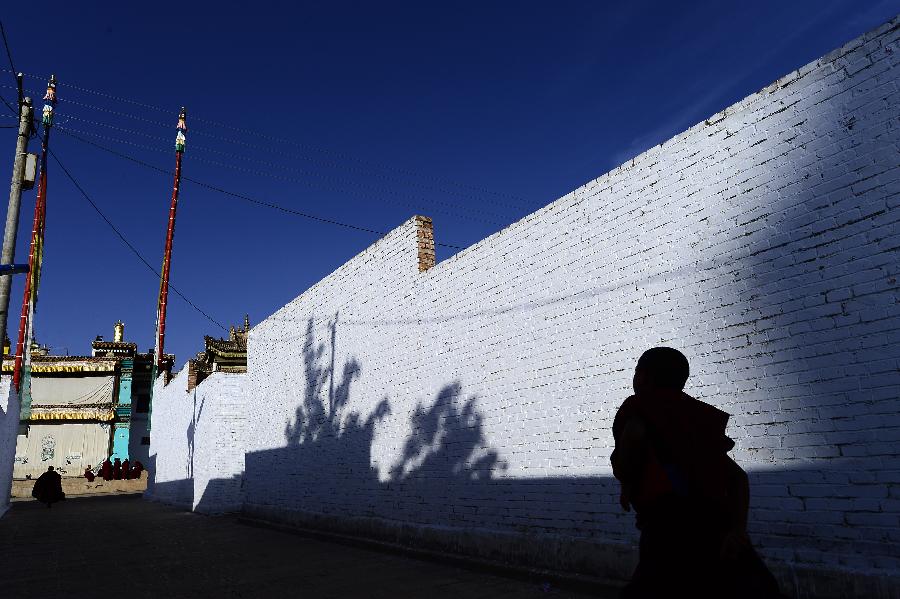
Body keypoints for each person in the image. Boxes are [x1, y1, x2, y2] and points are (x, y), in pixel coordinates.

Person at [611, 347, 785, 599]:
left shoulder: (640, 410)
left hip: (669, 529)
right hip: (716, 524)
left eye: (637, 371)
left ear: (643, 377)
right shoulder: (692, 417)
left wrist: (628, 478)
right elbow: (737, 478)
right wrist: (737, 530)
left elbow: (630, 452)